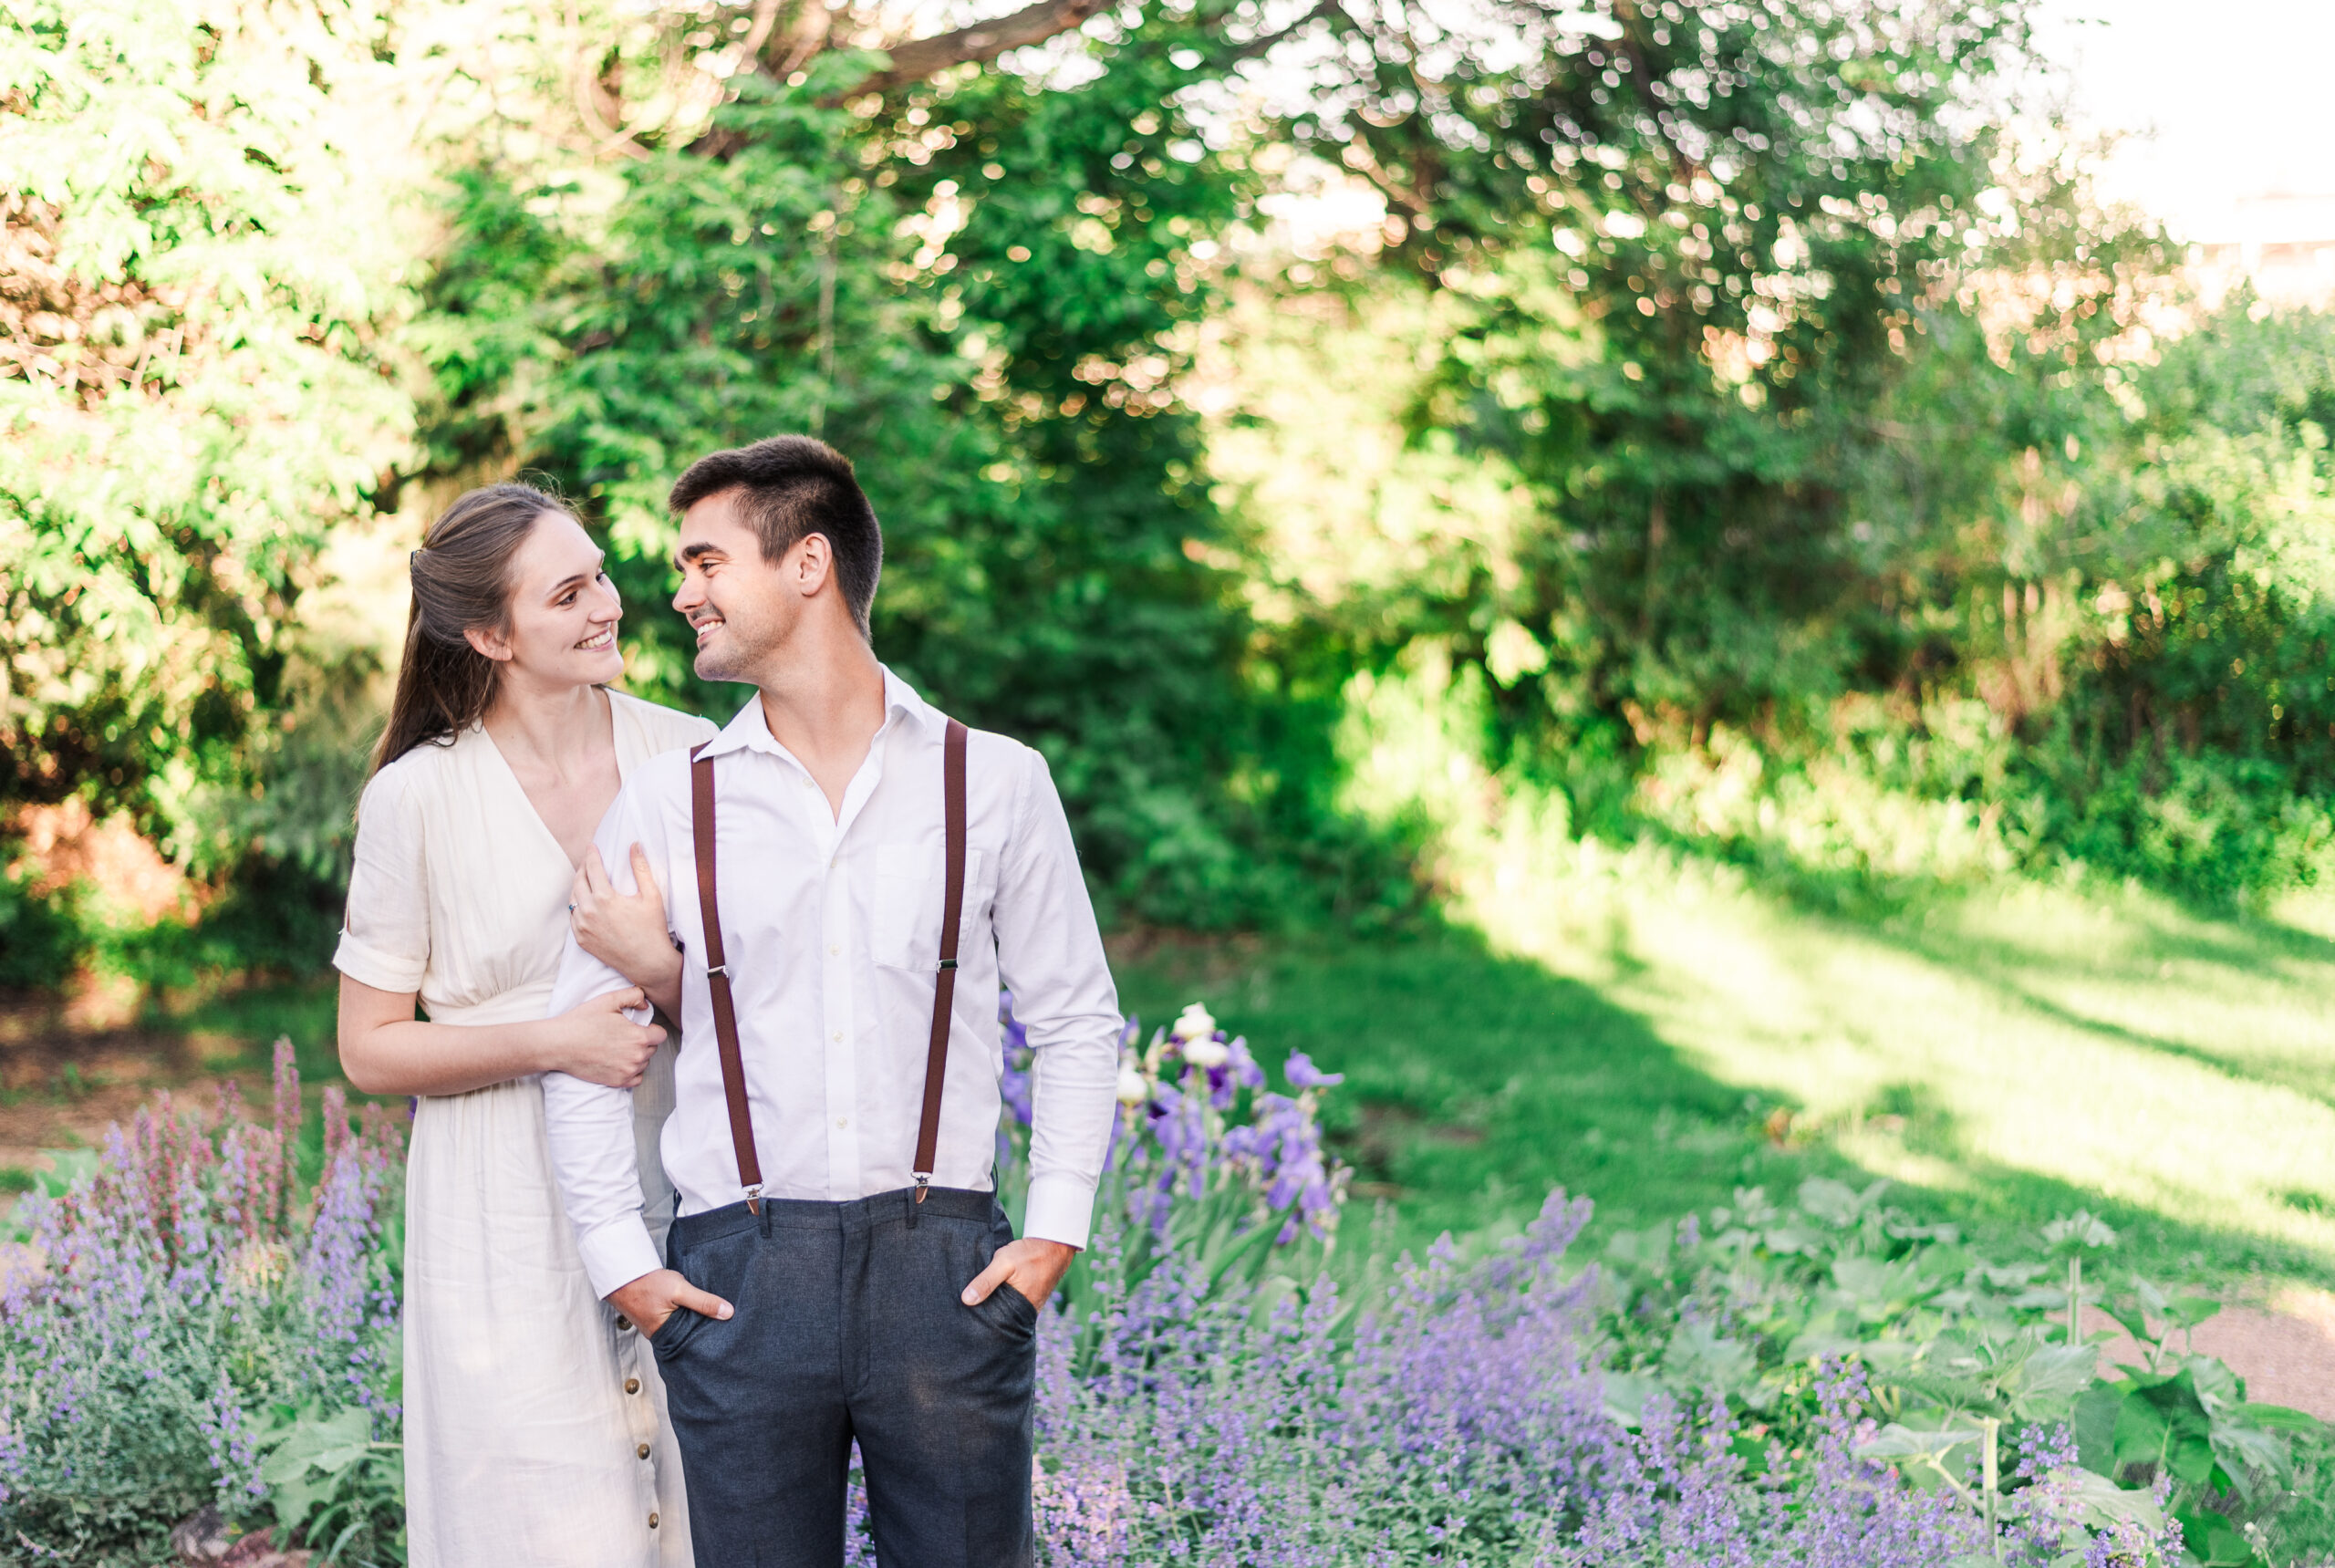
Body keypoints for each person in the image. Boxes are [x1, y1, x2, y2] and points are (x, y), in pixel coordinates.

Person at [540, 435, 1121, 1568]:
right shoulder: (670, 802)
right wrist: (624, 1262)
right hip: (738, 1275)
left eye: (706, 563)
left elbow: (1076, 1021)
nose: (678, 592)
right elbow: (591, 1046)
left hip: (944, 1267)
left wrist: (1053, 1230)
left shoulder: (991, 780)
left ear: (807, 565)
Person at [334, 483, 713, 1567]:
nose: (610, 604)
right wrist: (553, 1043)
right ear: (491, 636)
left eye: (600, 573)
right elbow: (369, 1048)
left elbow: (753, 1008)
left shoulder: (692, 757)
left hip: (677, 1170)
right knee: (535, 1510)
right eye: (569, 593)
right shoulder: (418, 798)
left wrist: (659, 974)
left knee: (699, 1497)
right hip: (497, 1207)